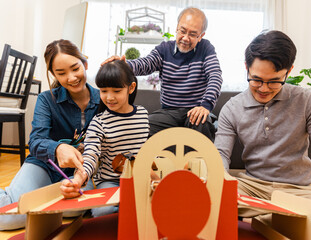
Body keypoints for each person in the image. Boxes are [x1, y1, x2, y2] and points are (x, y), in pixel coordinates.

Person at [214, 30, 311, 239]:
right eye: (256, 79)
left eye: (274, 81)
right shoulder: (232, 108)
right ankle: (283, 221)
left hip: (300, 192)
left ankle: (263, 221)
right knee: (204, 202)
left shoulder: (308, 101)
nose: (263, 89)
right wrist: (224, 184)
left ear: (289, 71)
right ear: (246, 68)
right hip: (252, 189)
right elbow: (220, 154)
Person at [0, 39, 100, 230]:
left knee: (73, 210)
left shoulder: (104, 100)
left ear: (85, 64)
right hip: (43, 165)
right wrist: (58, 148)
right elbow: (36, 142)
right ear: (53, 74)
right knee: (10, 218)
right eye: (61, 73)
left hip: (81, 173)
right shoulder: (47, 99)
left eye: (75, 68)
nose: (71, 78)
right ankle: (14, 195)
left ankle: (28, 195)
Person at [105, 7, 223, 142]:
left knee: (203, 123)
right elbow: (146, 63)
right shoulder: (164, 49)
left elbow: (215, 76)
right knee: (142, 128)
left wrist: (205, 106)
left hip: (195, 111)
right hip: (168, 113)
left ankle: (201, 163)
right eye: (182, 31)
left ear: (201, 36)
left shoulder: (206, 49)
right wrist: (126, 65)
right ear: (177, 28)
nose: (185, 38)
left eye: (192, 34)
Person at [60, 60, 149, 217]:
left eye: (116, 91)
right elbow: (90, 156)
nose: (109, 97)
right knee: (102, 211)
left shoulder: (143, 114)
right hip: (111, 181)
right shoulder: (99, 122)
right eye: (104, 91)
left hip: (138, 179)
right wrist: (78, 180)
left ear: (131, 88)